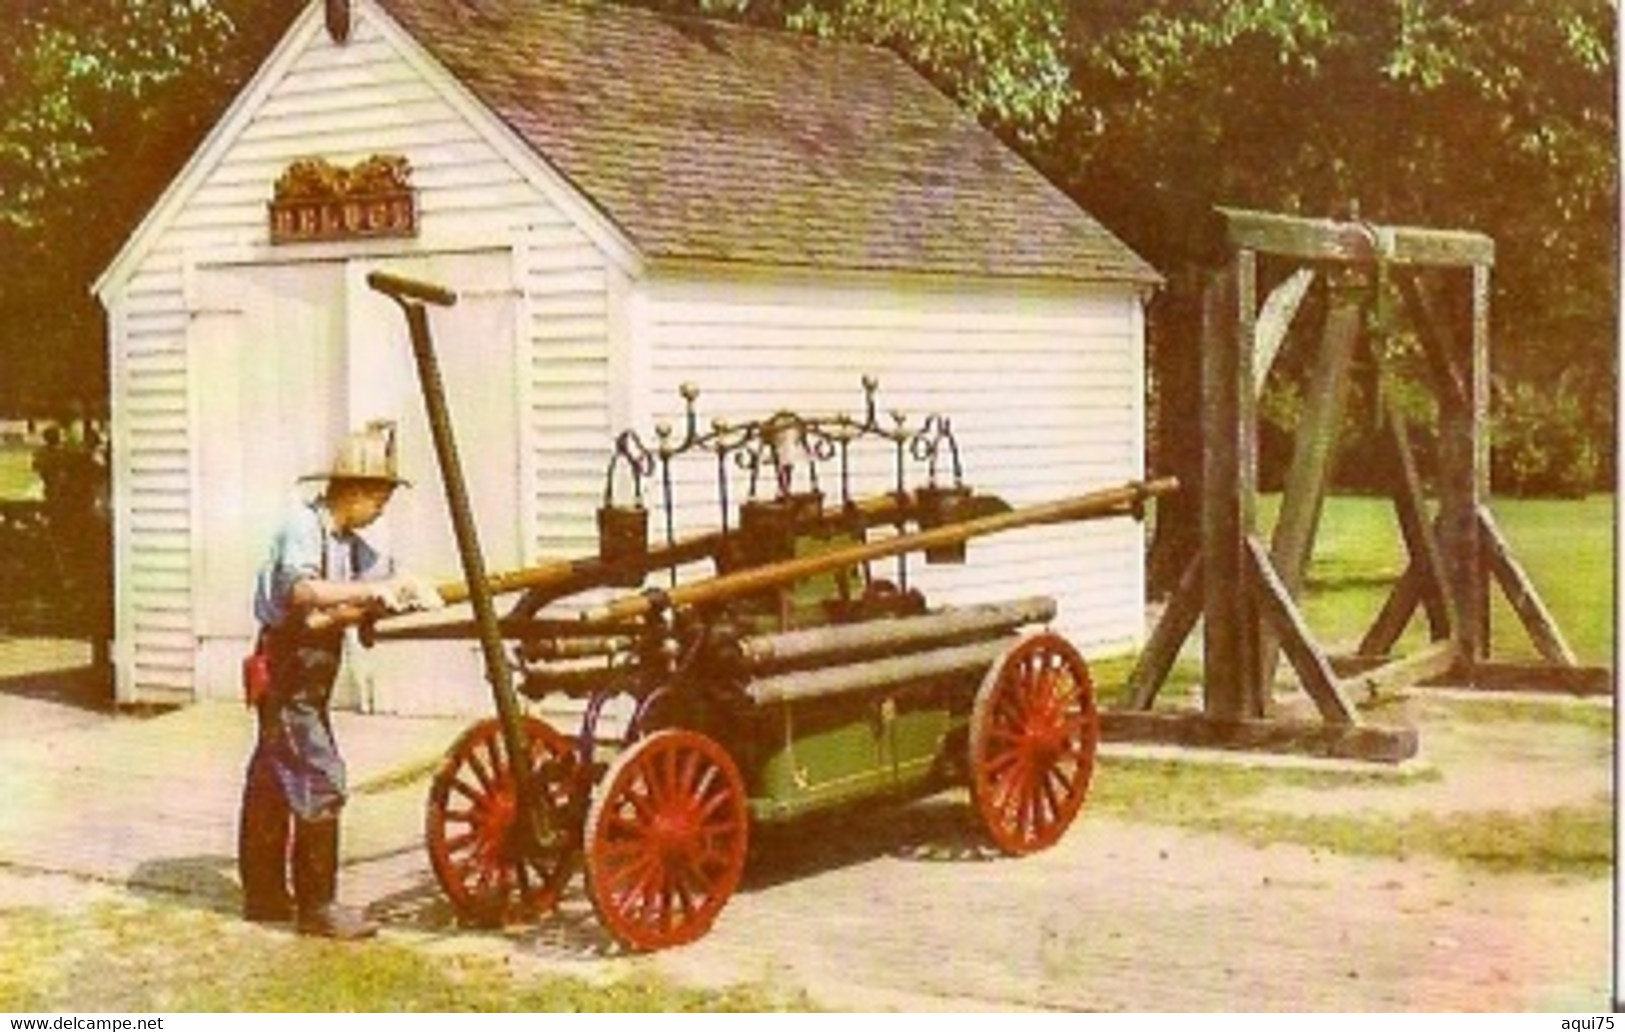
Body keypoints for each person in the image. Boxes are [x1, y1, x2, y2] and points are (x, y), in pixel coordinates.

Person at [238, 421, 439, 939]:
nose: (380, 512)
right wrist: (373, 595)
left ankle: (262, 896)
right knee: (321, 779)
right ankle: (318, 907)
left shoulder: (348, 542)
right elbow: (303, 596)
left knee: (273, 781)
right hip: (285, 671)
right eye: (379, 501)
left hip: (310, 676)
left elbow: (362, 591)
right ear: (353, 491)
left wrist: (403, 590)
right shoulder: (302, 527)